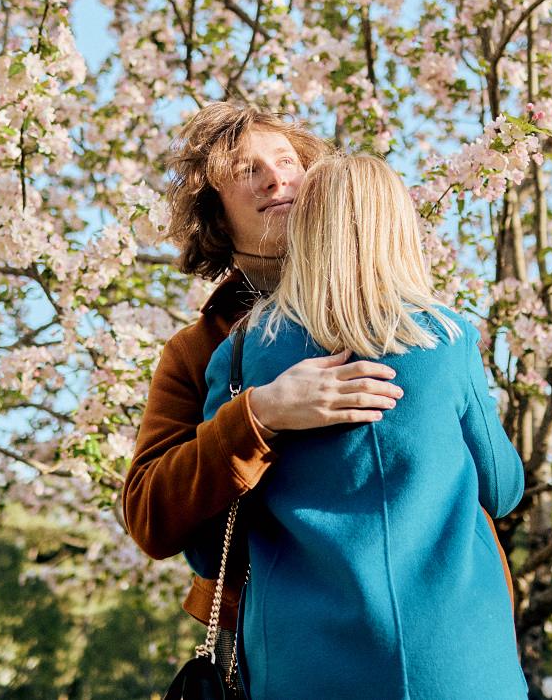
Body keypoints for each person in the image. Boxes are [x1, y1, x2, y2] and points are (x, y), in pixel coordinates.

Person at [189, 154, 528, 699]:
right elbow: (504, 490)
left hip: (304, 670)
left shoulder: (242, 356)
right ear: (398, 228)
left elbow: (208, 547)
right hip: (459, 663)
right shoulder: (447, 338)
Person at [121, 102, 415, 643]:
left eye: (286, 161)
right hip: (278, 638)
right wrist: (259, 415)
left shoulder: (400, 311)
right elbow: (148, 514)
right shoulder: (196, 350)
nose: (277, 178)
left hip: (419, 620)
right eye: (246, 170)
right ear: (215, 213)